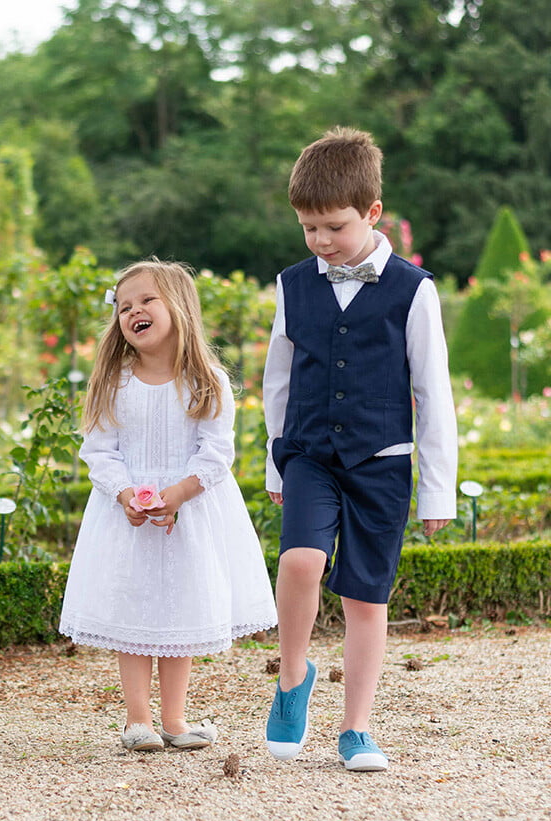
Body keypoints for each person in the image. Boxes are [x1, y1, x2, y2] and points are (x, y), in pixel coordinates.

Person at [263, 127, 457, 771]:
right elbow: (278, 382)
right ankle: (293, 677)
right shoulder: (293, 285)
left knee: (366, 600)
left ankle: (356, 728)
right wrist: (276, 462)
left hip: (383, 463)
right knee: (300, 562)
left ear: (373, 212)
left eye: (334, 227)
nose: (321, 240)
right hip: (309, 455)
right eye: (308, 228)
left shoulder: (414, 289)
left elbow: (432, 392)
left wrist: (437, 490)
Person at [60, 258, 276, 753]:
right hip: (128, 518)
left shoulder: (207, 380)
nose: (133, 311)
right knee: (133, 609)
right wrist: (125, 494)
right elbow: (99, 451)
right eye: (124, 306)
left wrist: (178, 493)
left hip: (189, 512)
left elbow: (216, 451)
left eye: (146, 300)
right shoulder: (114, 382)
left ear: (178, 306)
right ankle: (138, 719)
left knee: (182, 609)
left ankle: (175, 719)